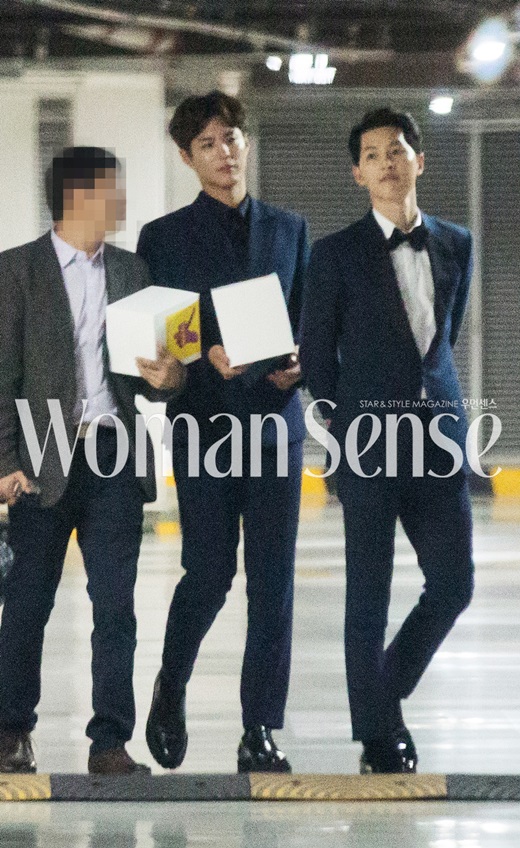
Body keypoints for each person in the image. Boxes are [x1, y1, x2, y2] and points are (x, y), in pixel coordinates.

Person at [137, 91, 309, 773]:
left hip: (275, 426)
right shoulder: (163, 238)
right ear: (187, 158)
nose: (223, 152)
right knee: (208, 573)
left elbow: (308, 323)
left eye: (231, 138)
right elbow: (163, 338)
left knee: (273, 583)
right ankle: (171, 682)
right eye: (207, 144)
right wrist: (199, 353)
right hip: (204, 426)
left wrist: (301, 366)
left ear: (246, 142)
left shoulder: (290, 230)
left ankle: (259, 728)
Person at [0, 146, 185, 775]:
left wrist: (170, 377)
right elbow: (2, 376)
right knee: (28, 602)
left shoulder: (134, 271)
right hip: (40, 457)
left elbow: (164, 374)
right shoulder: (16, 270)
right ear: (78, 197)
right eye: (113, 189)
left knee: (115, 607)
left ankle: (110, 742)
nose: (122, 201)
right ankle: (11, 732)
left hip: (115, 454)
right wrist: (4, 460)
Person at [300, 108, 474, 774]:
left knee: (453, 584)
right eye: (372, 155)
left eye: (396, 150)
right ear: (358, 174)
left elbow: (441, 340)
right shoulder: (334, 254)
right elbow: (318, 358)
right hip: (368, 444)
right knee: (367, 593)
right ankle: (378, 734)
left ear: (418, 160)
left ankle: (381, 692)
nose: (386, 163)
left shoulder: (456, 243)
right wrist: (348, 433)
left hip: (439, 441)